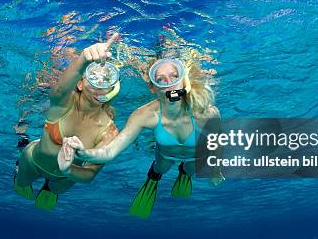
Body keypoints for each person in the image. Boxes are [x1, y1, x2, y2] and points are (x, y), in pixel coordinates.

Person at [59, 57, 224, 218]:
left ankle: (183, 174)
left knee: (189, 170)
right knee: (161, 169)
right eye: (160, 79)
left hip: (194, 156)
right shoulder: (144, 115)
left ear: (183, 81)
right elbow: (110, 151)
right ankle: (153, 178)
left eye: (174, 76)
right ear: (153, 88)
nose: (169, 83)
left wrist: (215, 169)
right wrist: (83, 152)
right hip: (165, 155)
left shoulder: (206, 112)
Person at [13, 34, 120, 210]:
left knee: (56, 190)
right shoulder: (63, 103)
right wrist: (85, 58)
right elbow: (61, 88)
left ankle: (49, 187)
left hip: (65, 177)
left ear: (113, 87)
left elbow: (90, 174)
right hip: (33, 161)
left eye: (106, 79)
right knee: (21, 184)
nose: (99, 83)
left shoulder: (109, 131)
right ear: (80, 84)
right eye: (93, 76)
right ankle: (19, 158)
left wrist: (68, 169)